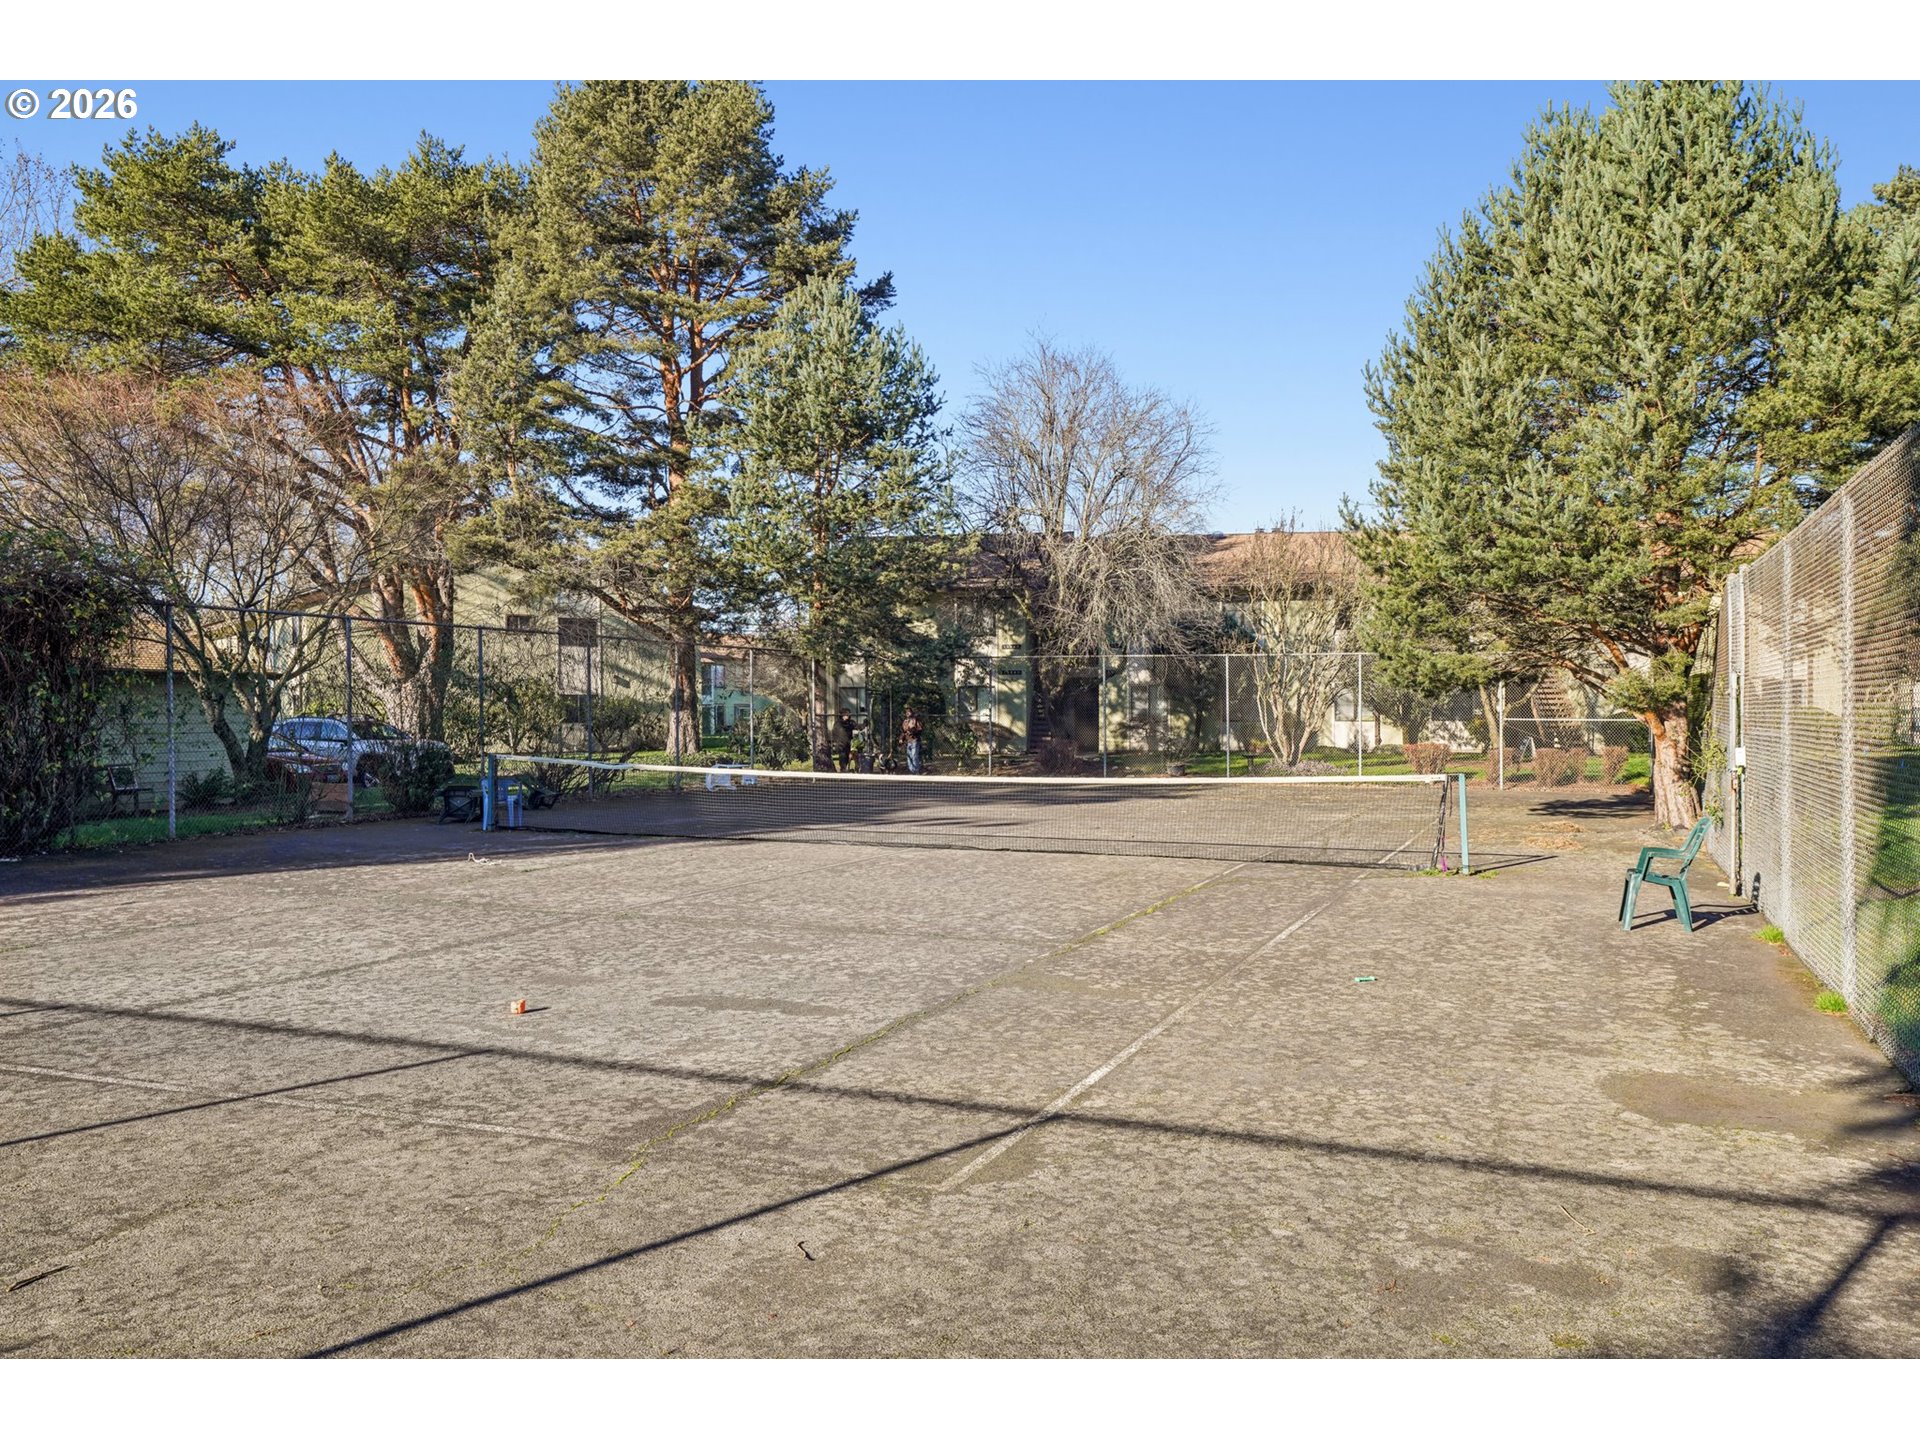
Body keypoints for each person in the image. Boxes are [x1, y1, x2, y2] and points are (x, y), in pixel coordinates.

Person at [901, 706, 925, 775]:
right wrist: (901, 739)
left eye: (909, 712)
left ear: (912, 712)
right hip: (908, 742)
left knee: (914, 756)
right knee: (909, 757)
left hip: (915, 741)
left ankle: (916, 771)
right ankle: (912, 771)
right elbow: (903, 732)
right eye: (906, 712)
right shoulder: (905, 722)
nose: (908, 713)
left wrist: (913, 732)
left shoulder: (915, 720)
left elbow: (920, 729)